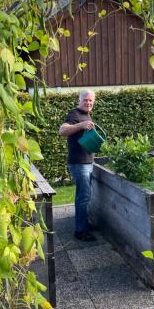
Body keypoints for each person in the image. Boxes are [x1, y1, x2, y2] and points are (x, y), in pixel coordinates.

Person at [59, 89, 97, 242]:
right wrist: (81, 125)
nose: (88, 103)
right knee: (84, 197)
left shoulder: (86, 114)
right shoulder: (74, 114)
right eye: (86, 100)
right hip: (79, 164)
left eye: (91, 101)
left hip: (87, 162)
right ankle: (80, 231)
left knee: (82, 196)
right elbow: (62, 131)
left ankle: (83, 223)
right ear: (79, 100)